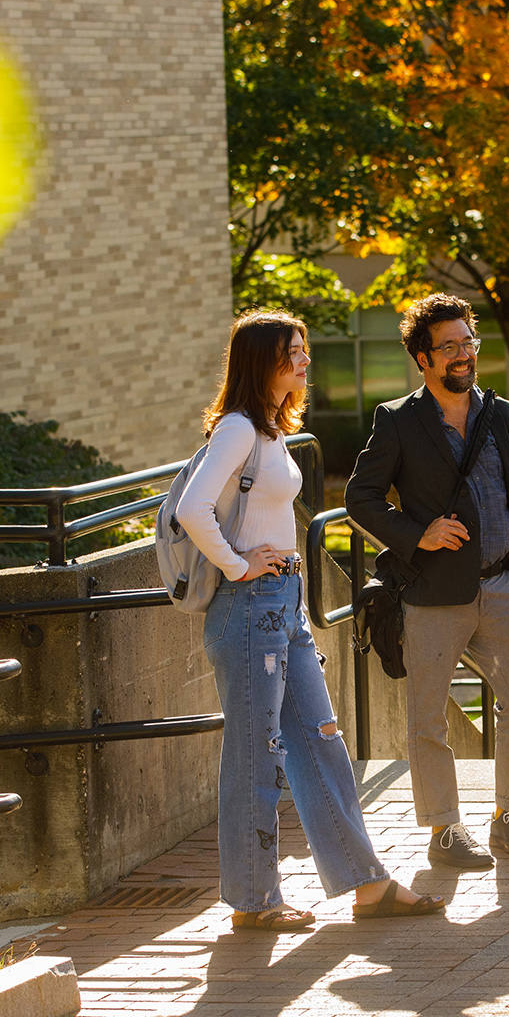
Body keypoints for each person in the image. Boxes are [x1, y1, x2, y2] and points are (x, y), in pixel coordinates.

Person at [176, 309, 446, 930]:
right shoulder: (238, 430)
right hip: (249, 607)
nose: (304, 361)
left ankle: (366, 883)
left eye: (304, 350)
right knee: (255, 750)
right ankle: (253, 899)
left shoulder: (270, 430)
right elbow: (193, 508)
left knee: (322, 740)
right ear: (260, 361)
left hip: (284, 604)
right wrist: (238, 565)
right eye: (291, 352)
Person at [345, 293, 509, 871]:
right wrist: (416, 534)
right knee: (428, 716)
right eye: (449, 347)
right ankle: (444, 828)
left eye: (468, 343)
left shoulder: (500, 414)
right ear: (423, 359)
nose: (463, 355)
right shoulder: (399, 421)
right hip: (434, 591)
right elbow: (359, 497)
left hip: (503, 584)